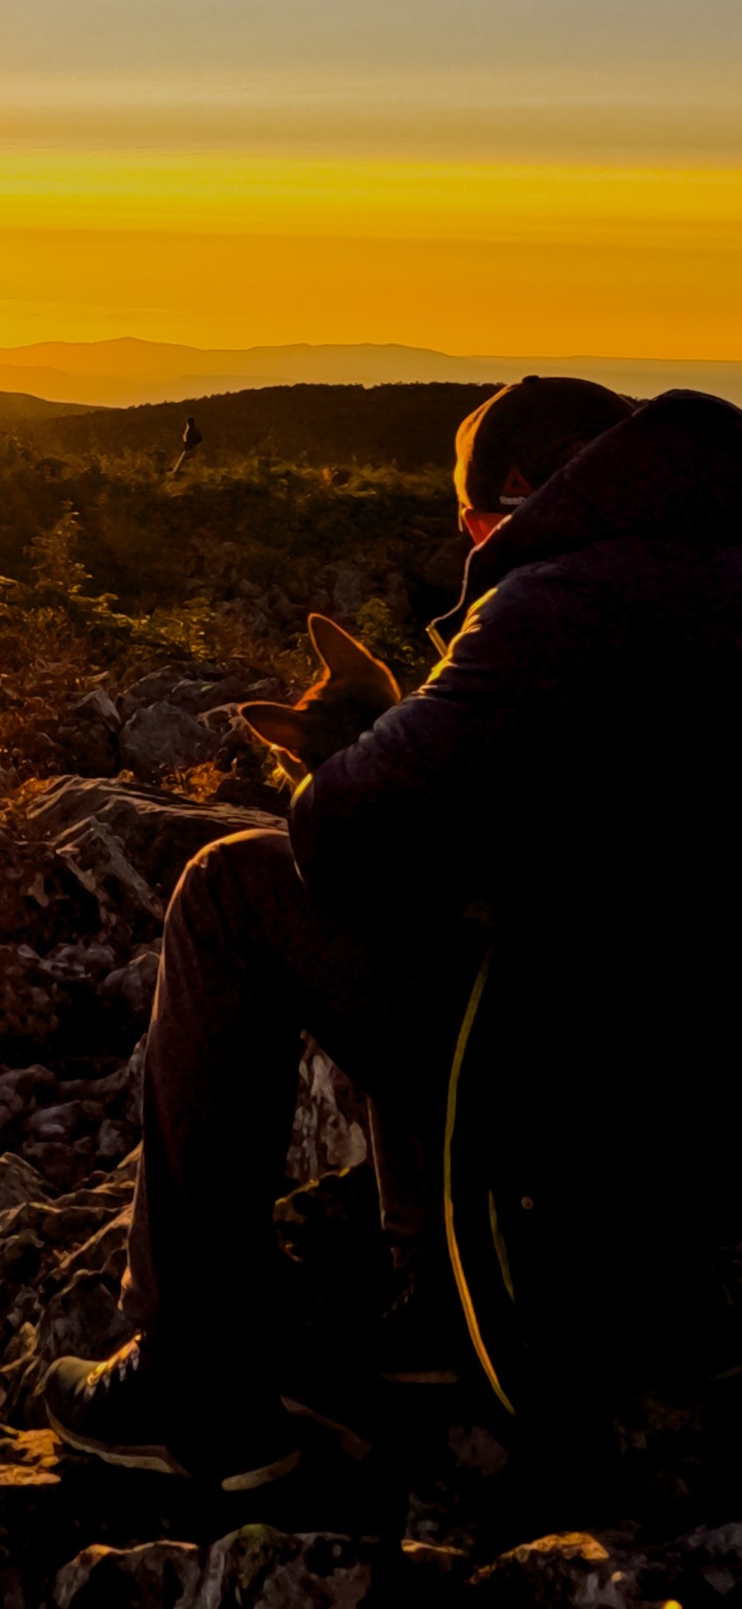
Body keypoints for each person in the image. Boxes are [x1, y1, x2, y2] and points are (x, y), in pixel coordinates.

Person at [42, 377, 742, 1489]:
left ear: (508, 500)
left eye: (467, 521)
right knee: (472, 897)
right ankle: (424, 1306)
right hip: (699, 1104)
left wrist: (343, 743)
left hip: (601, 1112)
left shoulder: (557, 601)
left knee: (233, 888)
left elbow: (349, 832)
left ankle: (191, 1374)